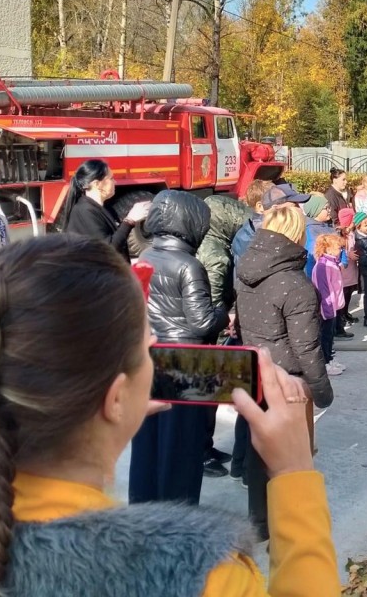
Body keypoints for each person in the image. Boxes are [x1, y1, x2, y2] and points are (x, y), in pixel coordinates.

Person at [0, 235, 340, 597]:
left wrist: (105, 416)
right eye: (147, 345)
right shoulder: (197, 575)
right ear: (115, 398)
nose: (158, 351)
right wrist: (293, 473)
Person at [236, 205, 333, 541]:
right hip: (288, 381)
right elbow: (307, 348)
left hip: (254, 368)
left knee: (256, 447)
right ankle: (289, 523)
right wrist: (322, 391)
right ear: (296, 235)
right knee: (292, 455)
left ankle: (259, 521)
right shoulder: (296, 285)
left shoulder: (244, 267)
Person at [129, 191, 229, 506]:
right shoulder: (189, 266)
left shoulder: (144, 258)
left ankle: (144, 505)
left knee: (147, 439)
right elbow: (201, 323)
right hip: (186, 363)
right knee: (182, 444)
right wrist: (224, 310)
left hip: (149, 359)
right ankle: (179, 513)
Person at [195, 194, 251, 478]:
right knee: (206, 398)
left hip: (207, 335)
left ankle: (207, 446)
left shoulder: (216, 244)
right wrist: (224, 324)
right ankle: (201, 453)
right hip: (207, 339)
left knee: (210, 400)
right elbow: (212, 302)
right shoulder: (214, 254)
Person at [61, 159, 150, 261]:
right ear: (97, 184)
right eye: (111, 178)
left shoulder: (103, 207)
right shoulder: (84, 211)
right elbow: (108, 249)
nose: (115, 182)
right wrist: (130, 220)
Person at [312, 233, 347, 376]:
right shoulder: (323, 266)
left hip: (333, 308)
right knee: (325, 337)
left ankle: (330, 359)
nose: (340, 250)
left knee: (330, 336)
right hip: (326, 309)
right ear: (328, 248)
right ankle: (325, 363)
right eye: (338, 247)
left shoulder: (332, 263)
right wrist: (327, 311)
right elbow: (323, 291)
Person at [335, 207, 359, 337]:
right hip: (343, 269)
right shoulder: (339, 234)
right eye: (352, 219)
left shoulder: (351, 233)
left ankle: (345, 312)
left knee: (349, 291)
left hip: (352, 268)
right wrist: (349, 254)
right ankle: (341, 315)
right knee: (343, 292)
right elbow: (339, 250)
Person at [302, 194, 334, 278]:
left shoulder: (328, 225)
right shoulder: (310, 230)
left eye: (329, 207)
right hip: (318, 272)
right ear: (316, 210)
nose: (329, 210)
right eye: (326, 208)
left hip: (331, 269)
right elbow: (314, 252)